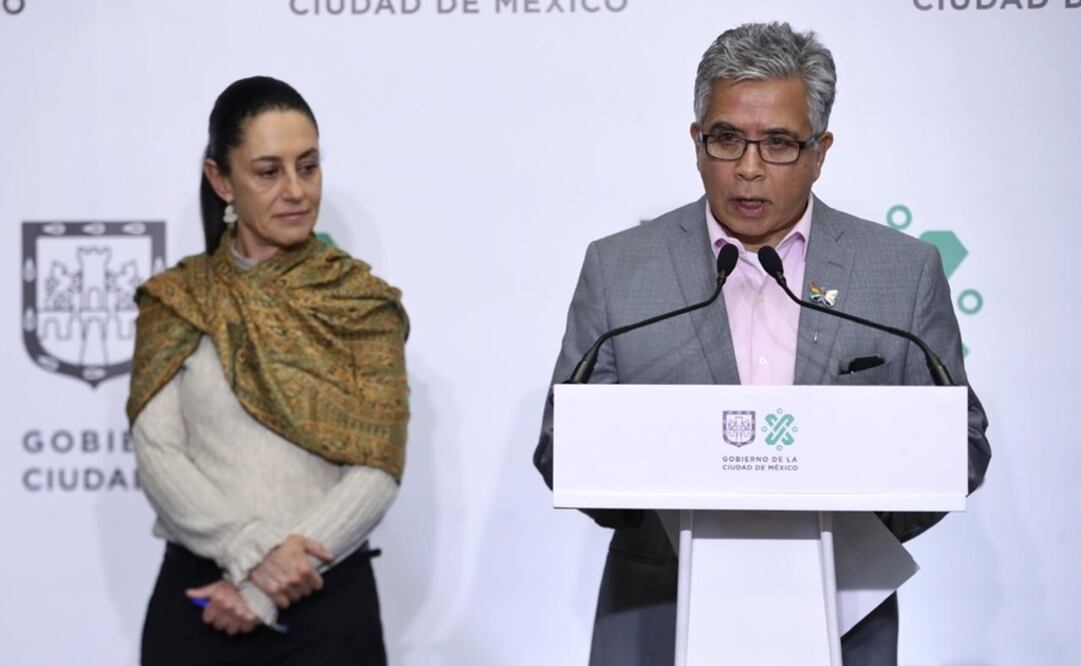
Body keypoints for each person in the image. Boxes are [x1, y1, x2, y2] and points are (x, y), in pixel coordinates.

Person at [533, 22, 991, 666]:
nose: (749, 169)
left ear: (820, 151)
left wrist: (853, 529)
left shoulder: (901, 273)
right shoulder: (620, 269)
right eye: (727, 139)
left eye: (778, 143)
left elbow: (961, 443)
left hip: (840, 615)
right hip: (658, 612)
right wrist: (665, 502)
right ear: (697, 142)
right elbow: (561, 444)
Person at [127, 76, 409, 665]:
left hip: (329, 610)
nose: (295, 190)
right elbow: (157, 452)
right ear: (220, 179)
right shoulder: (178, 300)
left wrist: (262, 589)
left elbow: (378, 466)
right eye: (268, 171)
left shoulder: (360, 303)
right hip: (201, 607)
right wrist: (248, 552)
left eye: (308, 166)